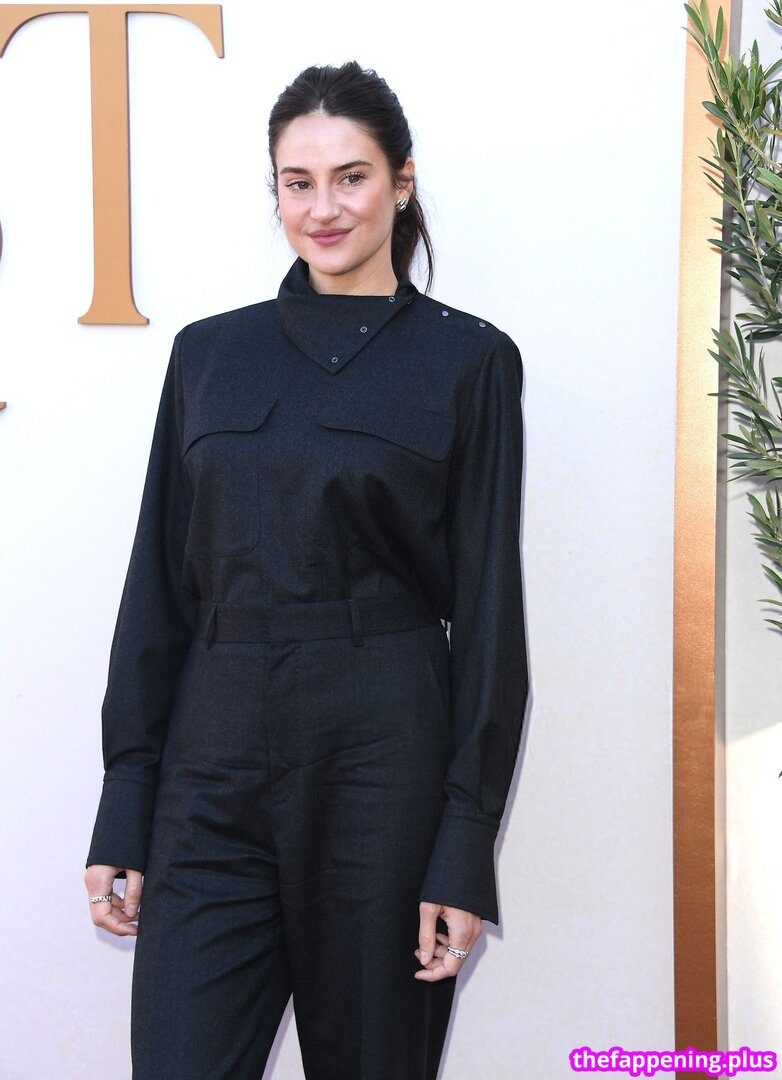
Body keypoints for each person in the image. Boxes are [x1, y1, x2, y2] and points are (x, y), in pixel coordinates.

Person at [83, 60, 528, 1080]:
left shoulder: (467, 361)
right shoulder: (207, 355)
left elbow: (488, 622)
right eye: (298, 181)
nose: (322, 208)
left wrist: (463, 845)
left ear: (401, 183)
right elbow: (156, 593)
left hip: (382, 769)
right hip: (211, 768)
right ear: (275, 190)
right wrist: (126, 802)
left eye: (351, 177)